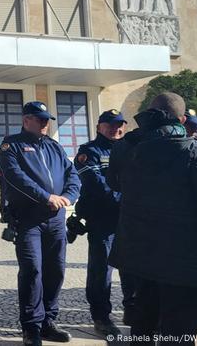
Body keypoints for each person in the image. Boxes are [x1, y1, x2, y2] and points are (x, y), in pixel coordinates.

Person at [107, 92, 197, 345]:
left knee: (144, 322)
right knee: (179, 330)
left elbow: (114, 184)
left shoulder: (124, 148)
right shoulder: (194, 151)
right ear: (182, 120)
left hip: (140, 255)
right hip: (184, 261)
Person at [0, 101, 80, 346]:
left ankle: (48, 322)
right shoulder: (11, 145)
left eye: (47, 120)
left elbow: (72, 174)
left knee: (56, 270)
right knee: (32, 270)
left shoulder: (54, 147)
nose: (45, 123)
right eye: (40, 119)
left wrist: (69, 196)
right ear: (26, 120)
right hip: (28, 219)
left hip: (55, 219)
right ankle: (31, 327)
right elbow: (15, 177)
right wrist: (46, 197)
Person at [74, 110, 135, 337]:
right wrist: (130, 199)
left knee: (131, 267)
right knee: (101, 270)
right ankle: (101, 316)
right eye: (110, 124)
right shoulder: (88, 151)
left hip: (127, 218)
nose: (115, 129)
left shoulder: (130, 149)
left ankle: (132, 310)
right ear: (99, 126)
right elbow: (96, 185)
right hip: (102, 218)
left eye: (119, 125)